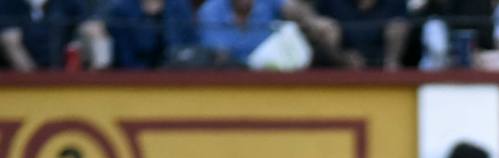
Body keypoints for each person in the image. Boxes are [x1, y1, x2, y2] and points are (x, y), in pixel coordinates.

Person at [197, 0, 330, 64]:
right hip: (230, 78)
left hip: (275, 73)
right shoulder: (211, 11)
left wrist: (313, 21)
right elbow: (218, 53)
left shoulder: (267, 2)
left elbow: (292, 9)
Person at [0, 0, 110, 68]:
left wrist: (99, 71)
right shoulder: (8, 3)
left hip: (64, 73)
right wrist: (34, 80)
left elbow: (95, 31)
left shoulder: (68, 2)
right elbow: (10, 41)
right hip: (20, 80)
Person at [313, 0, 410, 67]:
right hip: (336, 67)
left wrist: (391, 61)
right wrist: (342, 58)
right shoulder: (330, 2)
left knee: (398, 26)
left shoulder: (395, 2)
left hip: (385, 65)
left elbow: (405, 24)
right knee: (326, 28)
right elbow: (317, 26)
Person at [107, 0, 196, 68]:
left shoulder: (179, 6)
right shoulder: (121, 10)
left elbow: (192, 45)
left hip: (176, 73)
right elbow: (125, 56)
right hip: (135, 77)